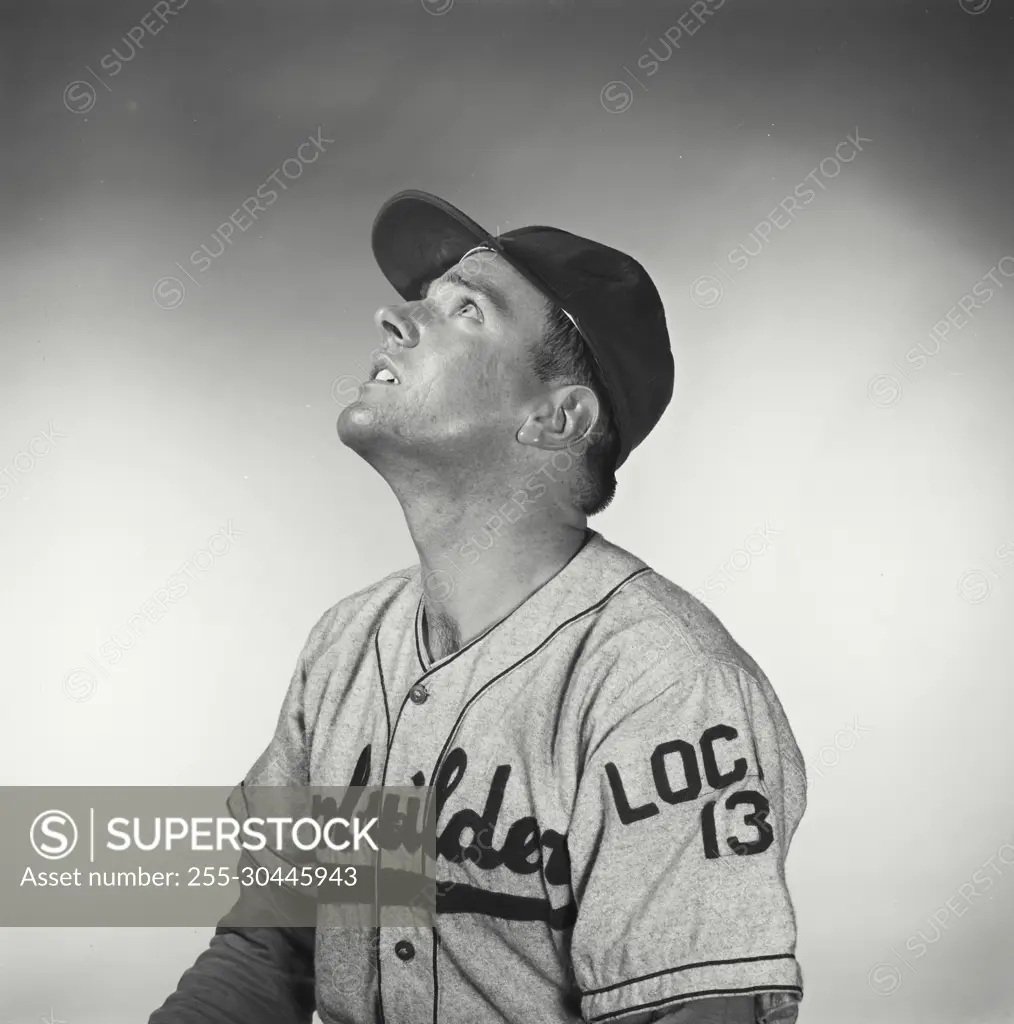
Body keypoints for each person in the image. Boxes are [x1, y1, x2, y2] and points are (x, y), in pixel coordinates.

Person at [150, 190, 806, 1024]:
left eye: (467, 310)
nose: (396, 318)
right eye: (425, 299)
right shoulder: (346, 643)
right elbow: (273, 943)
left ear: (556, 417)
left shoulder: (664, 685)